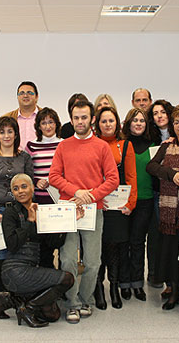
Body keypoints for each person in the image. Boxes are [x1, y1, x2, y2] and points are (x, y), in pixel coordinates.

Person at [49, 99, 119, 324]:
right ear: (71, 119)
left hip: (93, 209)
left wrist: (92, 195)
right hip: (68, 210)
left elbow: (113, 179)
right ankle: (72, 303)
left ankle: (85, 298)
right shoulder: (63, 146)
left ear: (92, 119)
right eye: (76, 118)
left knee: (93, 261)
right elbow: (54, 176)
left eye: (84, 117)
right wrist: (76, 191)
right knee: (68, 259)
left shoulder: (101, 147)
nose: (80, 121)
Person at [0, 174, 74, 327]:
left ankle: (11, 300)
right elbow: (12, 245)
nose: (20, 191)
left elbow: (54, 243)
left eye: (24, 186)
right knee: (68, 279)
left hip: (33, 270)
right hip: (15, 271)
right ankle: (28, 308)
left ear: (33, 188)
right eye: (16, 188)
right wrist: (30, 221)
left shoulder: (42, 211)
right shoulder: (10, 213)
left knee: (53, 315)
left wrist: (67, 223)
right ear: (12, 193)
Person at [147, 104, 179, 312]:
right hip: (170, 209)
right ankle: (175, 290)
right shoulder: (167, 146)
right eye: (176, 122)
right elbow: (151, 166)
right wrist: (170, 173)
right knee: (172, 252)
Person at [0, 116, 34, 297]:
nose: (6, 136)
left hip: (18, 212)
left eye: (10, 131)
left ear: (16, 134)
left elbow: (29, 184)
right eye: (2, 132)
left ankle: (16, 289)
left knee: (17, 250)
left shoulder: (24, 157)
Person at [94, 106, 138, 310]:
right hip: (97, 203)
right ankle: (98, 288)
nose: (107, 124)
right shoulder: (92, 144)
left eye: (111, 121)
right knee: (98, 248)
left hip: (118, 205)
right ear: (98, 123)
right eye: (103, 121)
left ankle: (114, 287)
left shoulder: (125, 145)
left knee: (117, 248)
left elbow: (131, 177)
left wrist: (131, 203)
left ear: (117, 123)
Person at [120, 107, 157, 303]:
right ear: (128, 123)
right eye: (135, 120)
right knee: (124, 242)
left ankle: (137, 283)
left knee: (137, 242)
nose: (138, 124)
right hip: (125, 200)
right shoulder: (122, 144)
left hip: (145, 199)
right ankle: (124, 283)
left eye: (142, 120)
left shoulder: (153, 145)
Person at [24, 108, 63, 268]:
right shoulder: (32, 146)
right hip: (40, 204)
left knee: (62, 247)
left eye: (51, 122)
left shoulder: (64, 144)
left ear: (56, 124)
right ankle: (48, 286)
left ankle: (63, 283)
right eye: (44, 122)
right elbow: (26, 173)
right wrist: (36, 180)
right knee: (44, 249)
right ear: (38, 126)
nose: (48, 126)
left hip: (60, 203)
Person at [146, 99, 173, 288]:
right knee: (156, 235)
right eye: (155, 113)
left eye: (163, 112)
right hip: (157, 191)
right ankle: (155, 274)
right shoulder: (150, 138)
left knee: (172, 236)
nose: (160, 116)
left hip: (177, 194)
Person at [4, 81, 41, 150]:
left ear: (37, 97)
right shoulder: (8, 118)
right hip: (15, 159)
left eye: (29, 93)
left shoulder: (46, 117)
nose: (25, 96)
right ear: (17, 97)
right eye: (21, 93)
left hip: (41, 157)